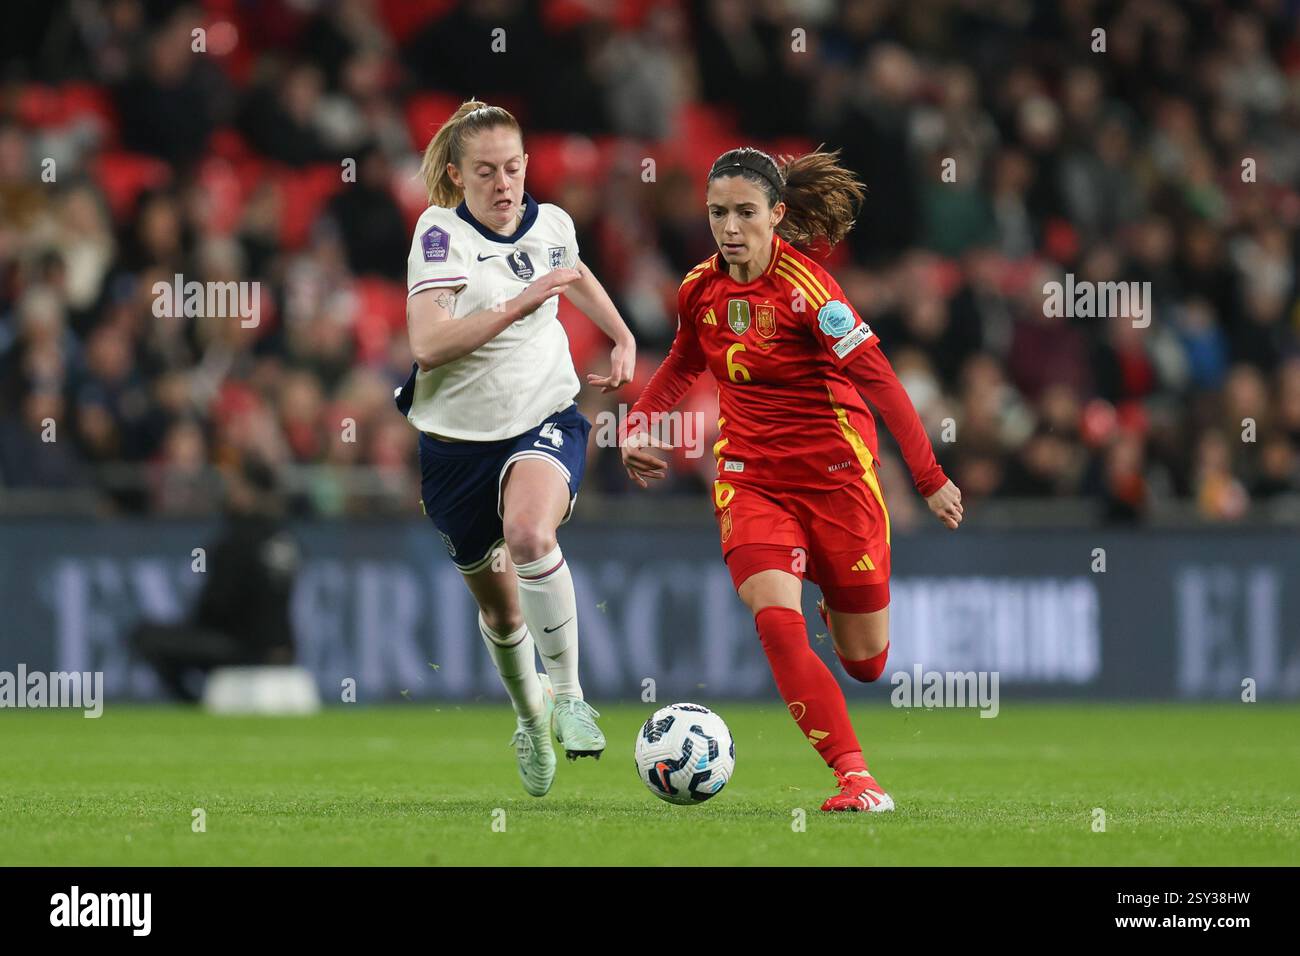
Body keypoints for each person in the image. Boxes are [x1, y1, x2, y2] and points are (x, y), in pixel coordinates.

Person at [621, 147, 963, 812]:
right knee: (776, 619)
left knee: (866, 664)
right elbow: (682, 362)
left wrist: (928, 477)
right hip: (751, 478)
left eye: (746, 212)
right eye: (718, 212)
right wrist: (639, 424)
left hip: (838, 480)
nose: (730, 226)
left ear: (777, 214)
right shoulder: (698, 289)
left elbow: (880, 383)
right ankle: (854, 776)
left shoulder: (809, 292)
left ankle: (836, 598)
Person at [397, 100, 636, 796]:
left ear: (527, 165)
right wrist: (518, 304)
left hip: (543, 419)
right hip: (454, 450)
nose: (503, 185)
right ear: (456, 175)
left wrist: (619, 334)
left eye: (512, 169)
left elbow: (572, 272)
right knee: (502, 613)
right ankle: (531, 720)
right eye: (485, 173)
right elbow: (428, 344)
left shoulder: (552, 223)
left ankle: (569, 697)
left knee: (530, 534)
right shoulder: (440, 236)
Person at [132, 458, 300, 701]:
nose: (228, 493)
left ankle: (193, 706)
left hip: (240, 647)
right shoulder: (287, 540)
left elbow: (217, 605)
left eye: (234, 486)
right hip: (283, 648)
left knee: (144, 637)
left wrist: (195, 625)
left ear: (248, 492)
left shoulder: (235, 539)